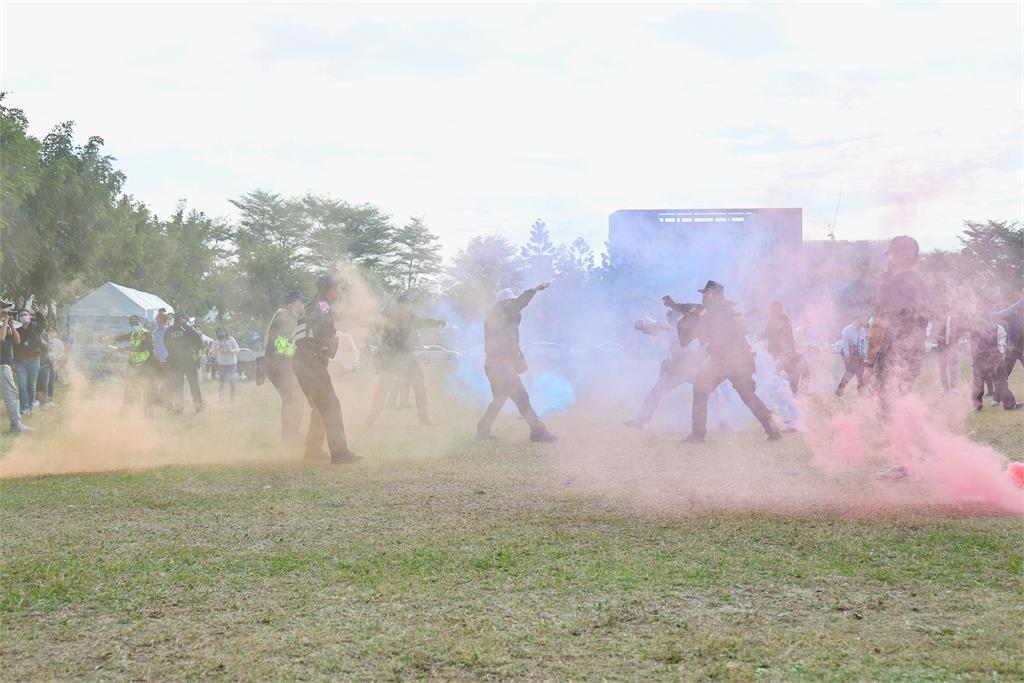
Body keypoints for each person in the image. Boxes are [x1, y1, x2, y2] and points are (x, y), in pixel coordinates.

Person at [666, 280, 781, 443]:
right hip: (736, 358)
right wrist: (675, 305)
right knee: (746, 395)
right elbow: (695, 310)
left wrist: (675, 305)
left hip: (726, 359)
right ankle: (773, 430)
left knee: (701, 388)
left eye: (706, 293)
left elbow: (695, 310)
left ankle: (698, 434)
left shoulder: (716, 309)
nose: (704, 296)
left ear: (713, 294)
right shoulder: (724, 308)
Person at [476, 284, 557, 442]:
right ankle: (538, 431)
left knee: (499, 398)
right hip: (501, 366)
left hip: (494, 366)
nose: (514, 305)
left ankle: (483, 429)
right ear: (503, 303)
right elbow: (520, 302)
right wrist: (536, 289)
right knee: (522, 398)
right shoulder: (502, 313)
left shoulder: (498, 315)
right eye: (510, 301)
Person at [293, 274, 360, 464]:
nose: (337, 292)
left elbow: (327, 319)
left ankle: (312, 450)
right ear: (330, 290)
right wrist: (325, 342)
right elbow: (323, 321)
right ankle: (340, 453)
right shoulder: (322, 305)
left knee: (319, 407)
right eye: (335, 289)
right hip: (311, 362)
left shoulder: (312, 306)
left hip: (302, 362)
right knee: (331, 406)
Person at [863, 236, 931, 398]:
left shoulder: (889, 285)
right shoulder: (922, 284)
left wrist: (869, 364)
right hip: (914, 355)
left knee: (887, 408)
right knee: (902, 401)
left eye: (891, 254)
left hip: (891, 355)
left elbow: (879, 324)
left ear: (901, 257)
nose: (888, 259)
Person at [365, 294, 445, 427]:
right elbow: (372, 331)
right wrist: (377, 318)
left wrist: (438, 322)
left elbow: (424, 322)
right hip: (389, 358)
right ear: (401, 304)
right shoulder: (388, 317)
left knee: (419, 384)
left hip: (407, 357)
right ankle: (372, 417)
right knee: (383, 389)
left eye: (410, 304)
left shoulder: (412, 318)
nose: (410, 306)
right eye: (408, 303)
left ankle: (424, 418)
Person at [623, 308, 701, 430]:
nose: (670, 320)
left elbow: (660, 330)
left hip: (689, 369)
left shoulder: (685, 330)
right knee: (656, 393)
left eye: (671, 318)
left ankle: (722, 421)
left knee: (708, 392)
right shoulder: (675, 330)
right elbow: (659, 330)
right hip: (676, 370)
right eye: (669, 318)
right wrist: (643, 327)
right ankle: (639, 421)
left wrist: (643, 327)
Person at [264, 291, 305, 443]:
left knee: (294, 399)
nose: (302, 305)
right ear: (292, 302)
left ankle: (291, 434)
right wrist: (297, 348)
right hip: (279, 365)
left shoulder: (290, 317)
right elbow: (279, 343)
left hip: (281, 364)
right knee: (291, 399)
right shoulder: (285, 316)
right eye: (300, 301)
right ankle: (289, 436)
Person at [968, 295, 1020, 411]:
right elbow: (1010, 310)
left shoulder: (973, 318)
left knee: (979, 381)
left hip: (981, 355)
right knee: (999, 380)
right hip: (992, 355)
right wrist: (1022, 300)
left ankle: (977, 405)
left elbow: (972, 341)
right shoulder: (990, 316)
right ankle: (1009, 404)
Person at [113, 315, 158, 414]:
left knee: (146, 388)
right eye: (132, 324)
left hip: (146, 366)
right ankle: (126, 410)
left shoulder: (146, 334)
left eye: (136, 324)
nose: (134, 326)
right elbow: (123, 337)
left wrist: (125, 349)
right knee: (130, 388)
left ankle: (148, 411)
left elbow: (142, 348)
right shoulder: (133, 334)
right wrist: (113, 338)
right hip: (134, 366)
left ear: (140, 323)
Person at [164, 311, 205, 413]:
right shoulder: (188, 328)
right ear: (182, 318)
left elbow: (166, 343)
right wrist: (195, 351)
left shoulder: (169, 330)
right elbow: (200, 343)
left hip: (175, 361)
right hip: (188, 360)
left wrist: (172, 353)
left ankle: (179, 407)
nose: (185, 320)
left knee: (178, 385)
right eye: (185, 318)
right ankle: (198, 406)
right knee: (193, 384)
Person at [762, 301, 805, 395]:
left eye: (774, 309)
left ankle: (791, 394)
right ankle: (787, 394)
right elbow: (767, 333)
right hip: (778, 351)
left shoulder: (782, 320)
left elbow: (783, 335)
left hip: (783, 351)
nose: (773, 311)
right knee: (782, 372)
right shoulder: (774, 321)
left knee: (788, 372)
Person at [0, 304, 30, 433]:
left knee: (11, 394)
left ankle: (16, 424)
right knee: (11, 395)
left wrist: (11, 324)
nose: (6, 311)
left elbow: (17, 341)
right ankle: (15, 425)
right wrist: (6, 320)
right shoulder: (2, 325)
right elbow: (1, 338)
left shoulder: (5, 325)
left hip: (5, 364)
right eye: (3, 308)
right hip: (2, 366)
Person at [12, 309, 44, 416]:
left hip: (34, 360)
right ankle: (24, 407)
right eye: (21, 315)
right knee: (22, 385)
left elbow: (44, 323)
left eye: (25, 314)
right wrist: (14, 361)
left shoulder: (36, 327)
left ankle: (30, 406)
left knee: (31, 384)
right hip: (21, 362)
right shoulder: (18, 330)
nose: (23, 316)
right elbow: (15, 346)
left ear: (30, 316)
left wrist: (38, 311)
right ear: (19, 318)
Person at [835, 317, 868, 397]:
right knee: (851, 371)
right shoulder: (847, 330)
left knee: (859, 371)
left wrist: (864, 352)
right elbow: (845, 343)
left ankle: (859, 391)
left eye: (861, 324)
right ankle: (840, 390)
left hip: (858, 352)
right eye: (858, 323)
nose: (860, 326)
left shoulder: (862, 330)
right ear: (855, 321)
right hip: (848, 351)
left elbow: (863, 342)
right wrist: (847, 355)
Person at [211, 326, 240, 402]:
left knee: (232, 380)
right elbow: (212, 354)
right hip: (221, 363)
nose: (221, 334)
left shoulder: (231, 340)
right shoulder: (216, 342)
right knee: (222, 382)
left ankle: (232, 397)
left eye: (223, 332)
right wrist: (216, 349)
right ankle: (221, 397)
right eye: (219, 332)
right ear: (217, 334)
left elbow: (237, 349)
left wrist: (232, 350)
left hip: (232, 363)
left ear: (226, 332)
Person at [933, 310, 960, 393]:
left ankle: (954, 388)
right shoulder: (937, 322)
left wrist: (955, 338)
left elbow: (958, 332)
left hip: (952, 347)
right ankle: (945, 388)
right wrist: (938, 337)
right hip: (942, 348)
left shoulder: (954, 320)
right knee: (942, 369)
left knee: (953, 368)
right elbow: (934, 333)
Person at [38, 326, 64, 408]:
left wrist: (56, 360)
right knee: (44, 382)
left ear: (56, 333)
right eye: (50, 331)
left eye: (53, 331)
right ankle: (42, 400)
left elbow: (61, 354)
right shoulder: (45, 342)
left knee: (51, 382)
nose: (52, 333)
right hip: (45, 363)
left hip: (54, 363)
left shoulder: (60, 343)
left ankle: (50, 400)